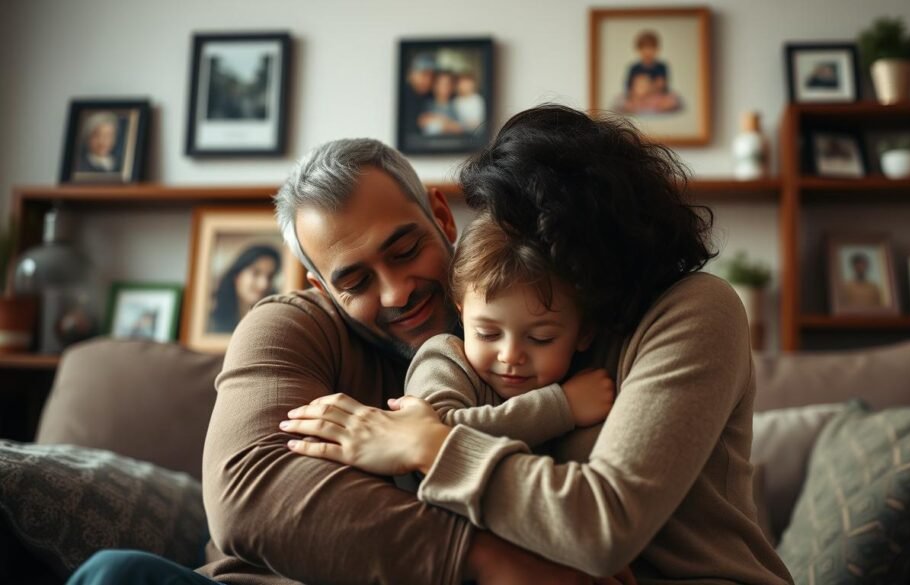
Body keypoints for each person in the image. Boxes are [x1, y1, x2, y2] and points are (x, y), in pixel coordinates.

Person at [68, 137, 619, 584]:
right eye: (355, 280)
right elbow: (248, 494)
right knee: (114, 575)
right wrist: (490, 561)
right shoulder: (286, 326)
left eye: (405, 251)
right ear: (321, 288)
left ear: (442, 219)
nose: (397, 291)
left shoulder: (534, 318)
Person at [282, 105, 794, 583]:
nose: (513, 248)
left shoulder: (697, 309)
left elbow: (604, 526)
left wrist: (429, 444)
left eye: (525, 228)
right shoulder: (492, 338)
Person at [403, 212, 615, 457]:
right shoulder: (442, 359)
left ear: (584, 333)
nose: (510, 356)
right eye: (488, 334)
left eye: (540, 338)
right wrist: (562, 407)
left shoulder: (583, 381)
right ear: (462, 315)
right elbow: (429, 434)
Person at [207, 243, 282, 333]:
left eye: (270, 277)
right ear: (237, 277)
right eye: (256, 273)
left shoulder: (274, 323)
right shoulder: (212, 323)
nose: (264, 285)